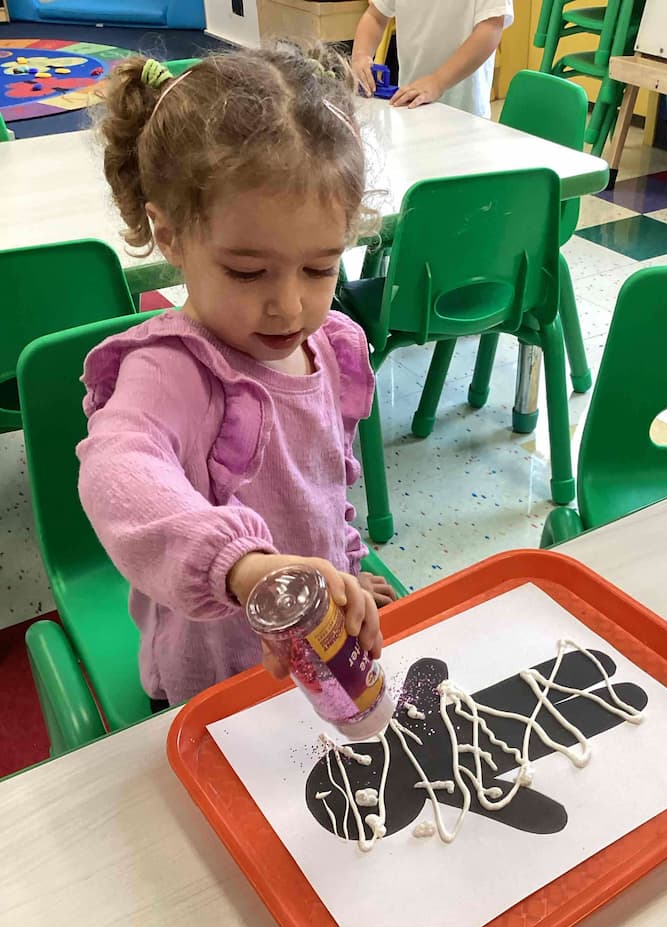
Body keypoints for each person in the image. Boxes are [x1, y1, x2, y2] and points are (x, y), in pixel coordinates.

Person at [78, 44, 396, 710]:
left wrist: (346, 568)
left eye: (320, 268)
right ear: (170, 236)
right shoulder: (171, 371)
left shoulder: (327, 345)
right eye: (248, 272)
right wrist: (244, 568)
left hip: (316, 649)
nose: (290, 307)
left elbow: (321, 491)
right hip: (217, 678)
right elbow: (117, 472)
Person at [351, 0, 513, 118]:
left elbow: (491, 29)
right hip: (410, 104)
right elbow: (375, 16)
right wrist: (361, 55)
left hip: (465, 111)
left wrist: (438, 82)